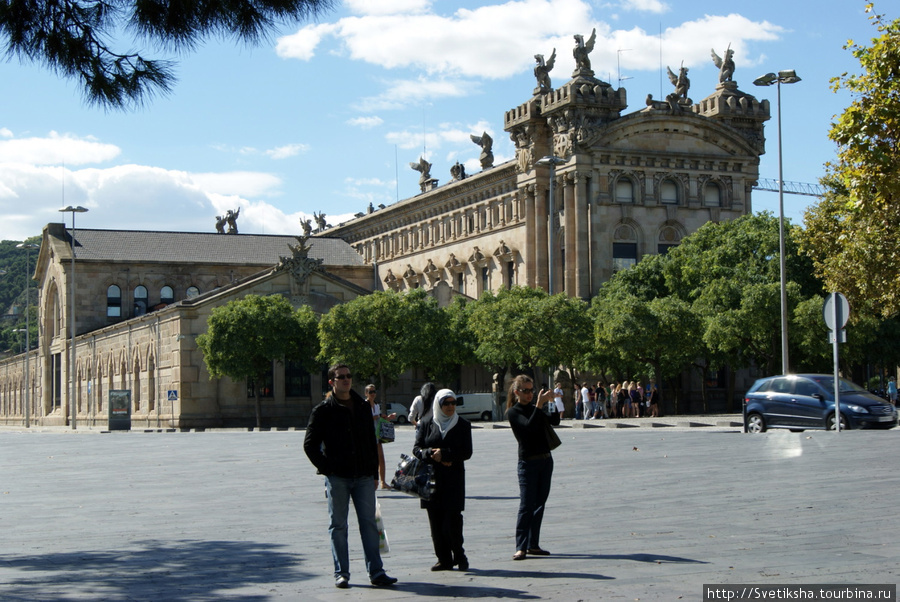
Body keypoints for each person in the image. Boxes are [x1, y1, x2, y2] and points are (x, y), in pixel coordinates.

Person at [303, 364, 398, 589]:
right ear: (332, 382)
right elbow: (309, 445)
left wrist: (374, 474)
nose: (346, 380)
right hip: (338, 478)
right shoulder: (323, 410)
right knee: (338, 525)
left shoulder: (363, 407)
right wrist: (327, 469)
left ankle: (376, 571)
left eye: (349, 376)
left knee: (370, 524)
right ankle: (341, 573)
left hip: (364, 476)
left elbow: (369, 442)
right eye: (341, 377)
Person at [413, 389, 473, 571]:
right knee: (436, 522)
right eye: (446, 403)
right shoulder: (426, 423)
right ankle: (443, 559)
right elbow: (417, 449)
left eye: (453, 403)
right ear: (438, 405)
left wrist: (446, 455)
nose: (450, 407)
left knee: (452, 521)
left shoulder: (462, 424)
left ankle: (459, 555)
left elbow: (467, 452)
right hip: (431, 480)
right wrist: (431, 454)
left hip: (453, 479)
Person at [506, 374, 560, 561]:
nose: (529, 394)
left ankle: (533, 544)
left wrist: (551, 402)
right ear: (517, 392)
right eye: (526, 391)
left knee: (539, 504)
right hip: (528, 462)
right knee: (526, 504)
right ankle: (521, 546)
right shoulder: (514, 412)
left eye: (532, 390)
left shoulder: (535, 409)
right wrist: (538, 404)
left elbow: (554, 421)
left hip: (545, 460)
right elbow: (528, 429)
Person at [365, 384, 395, 490]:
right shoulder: (364, 405)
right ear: (366, 394)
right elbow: (365, 419)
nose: (373, 394)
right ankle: (369, 481)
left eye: (374, 392)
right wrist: (378, 416)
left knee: (381, 458)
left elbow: (379, 419)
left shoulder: (376, 405)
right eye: (370, 392)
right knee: (370, 459)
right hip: (368, 435)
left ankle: (382, 481)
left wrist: (388, 418)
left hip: (377, 434)